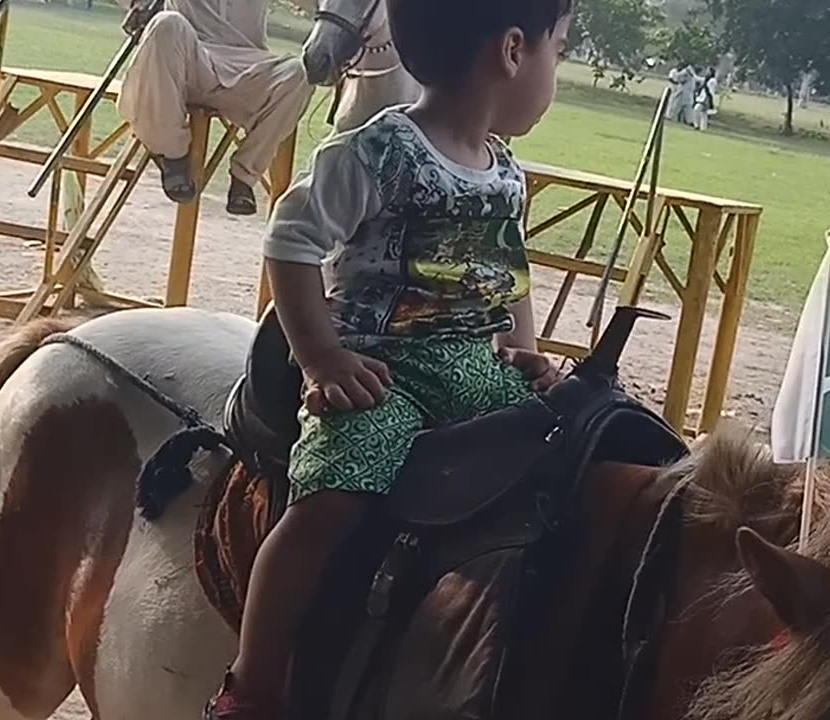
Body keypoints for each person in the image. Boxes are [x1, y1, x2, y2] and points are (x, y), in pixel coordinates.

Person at [201, 0, 572, 718]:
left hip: (472, 368)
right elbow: (292, 242)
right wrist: (324, 358)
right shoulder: (376, 151)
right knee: (334, 495)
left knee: (562, 458)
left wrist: (526, 356)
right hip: (384, 370)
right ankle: (253, 685)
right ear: (514, 50)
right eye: (561, 48)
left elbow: (510, 276)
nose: (560, 68)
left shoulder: (504, 170)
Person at [117, 0, 312, 216]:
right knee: (166, 23)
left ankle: (245, 175)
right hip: (190, 58)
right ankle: (173, 155)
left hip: (248, 67)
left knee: (300, 72)